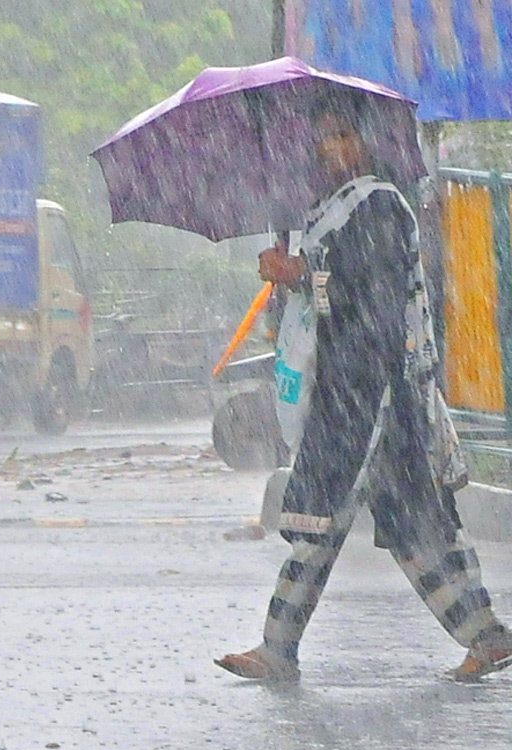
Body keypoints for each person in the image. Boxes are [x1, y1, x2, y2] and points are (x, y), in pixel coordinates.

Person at [216, 92, 512, 683]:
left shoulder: (376, 204)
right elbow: (331, 302)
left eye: (345, 137)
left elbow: (365, 293)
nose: (334, 150)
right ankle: (487, 636)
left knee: (323, 522)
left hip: (370, 395)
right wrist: (293, 279)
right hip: (357, 391)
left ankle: (277, 650)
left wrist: (303, 272)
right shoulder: (331, 210)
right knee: (414, 525)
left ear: (369, 142)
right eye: (324, 139)